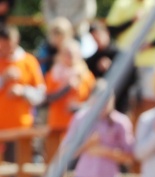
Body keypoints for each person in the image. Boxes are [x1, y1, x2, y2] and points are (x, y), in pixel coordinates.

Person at [106, 0, 155, 113]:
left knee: (149, 99)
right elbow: (111, 29)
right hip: (126, 62)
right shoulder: (122, 3)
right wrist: (131, 21)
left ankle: (145, 127)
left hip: (149, 62)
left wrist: (151, 44)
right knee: (126, 99)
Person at [44, 38, 95, 162]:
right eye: (66, 53)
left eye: (73, 53)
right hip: (57, 127)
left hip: (79, 128)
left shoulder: (87, 76)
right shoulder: (53, 74)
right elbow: (47, 99)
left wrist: (78, 107)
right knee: (56, 163)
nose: (70, 56)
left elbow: (94, 103)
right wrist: (66, 88)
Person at [0, 25, 45, 160]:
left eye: (9, 45)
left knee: (23, 174)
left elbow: (41, 95)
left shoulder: (28, 61)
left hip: (23, 130)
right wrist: (3, 79)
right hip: (1, 131)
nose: (6, 50)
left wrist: (23, 91)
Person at [85, 20, 136, 114]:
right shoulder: (91, 60)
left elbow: (132, 78)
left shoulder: (121, 55)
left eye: (99, 35)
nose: (97, 39)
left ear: (106, 33)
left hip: (120, 103)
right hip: (98, 108)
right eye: (94, 37)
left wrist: (113, 68)